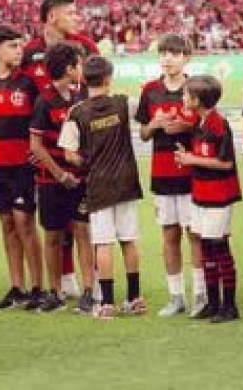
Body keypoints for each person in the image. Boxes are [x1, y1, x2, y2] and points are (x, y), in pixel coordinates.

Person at [60, 56, 144, 320]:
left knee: (103, 243)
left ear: (84, 79)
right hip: (126, 180)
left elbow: (69, 154)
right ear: (108, 79)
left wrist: (87, 162)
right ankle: (134, 297)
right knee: (129, 239)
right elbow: (146, 113)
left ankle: (107, 302)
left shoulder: (77, 112)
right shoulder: (123, 103)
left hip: (99, 184)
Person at [0, 24, 46, 309]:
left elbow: (40, 121)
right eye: (13, 46)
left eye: (20, 45)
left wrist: (37, 151)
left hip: (22, 165)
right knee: (6, 225)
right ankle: (17, 286)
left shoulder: (28, 83)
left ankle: (39, 287)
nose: (20, 51)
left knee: (25, 223)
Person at [135, 33, 205, 317]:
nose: (167, 59)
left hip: (191, 172)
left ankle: (200, 294)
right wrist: (154, 124)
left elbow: (207, 128)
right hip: (162, 174)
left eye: (174, 54)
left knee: (195, 235)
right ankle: (176, 296)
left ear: (186, 57)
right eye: (163, 53)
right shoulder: (150, 90)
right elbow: (142, 133)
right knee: (169, 235)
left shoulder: (196, 88)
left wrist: (186, 129)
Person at [29, 42, 94, 314]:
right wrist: (59, 173)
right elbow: (36, 145)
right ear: (70, 68)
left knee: (82, 231)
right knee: (53, 236)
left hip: (81, 179)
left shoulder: (83, 98)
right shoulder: (44, 100)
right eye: (79, 64)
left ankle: (90, 290)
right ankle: (55, 292)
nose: (82, 69)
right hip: (50, 181)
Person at [176, 74, 242, 323]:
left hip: (218, 195)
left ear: (198, 99)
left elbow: (225, 163)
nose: (183, 98)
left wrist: (193, 160)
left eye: (186, 95)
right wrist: (188, 156)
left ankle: (230, 305)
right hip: (201, 193)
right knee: (205, 248)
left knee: (219, 248)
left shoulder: (218, 124)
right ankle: (213, 303)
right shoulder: (200, 122)